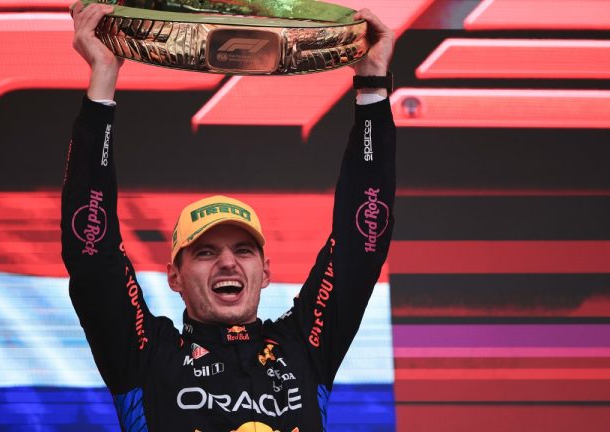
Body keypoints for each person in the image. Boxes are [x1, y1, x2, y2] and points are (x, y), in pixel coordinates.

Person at [62, 2, 396, 431]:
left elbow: (361, 243)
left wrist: (371, 86)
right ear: (175, 277)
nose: (228, 262)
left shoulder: (303, 348)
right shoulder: (145, 355)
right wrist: (103, 78)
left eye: (244, 249)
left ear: (267, 271)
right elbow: (92, 252)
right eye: (203, 252)